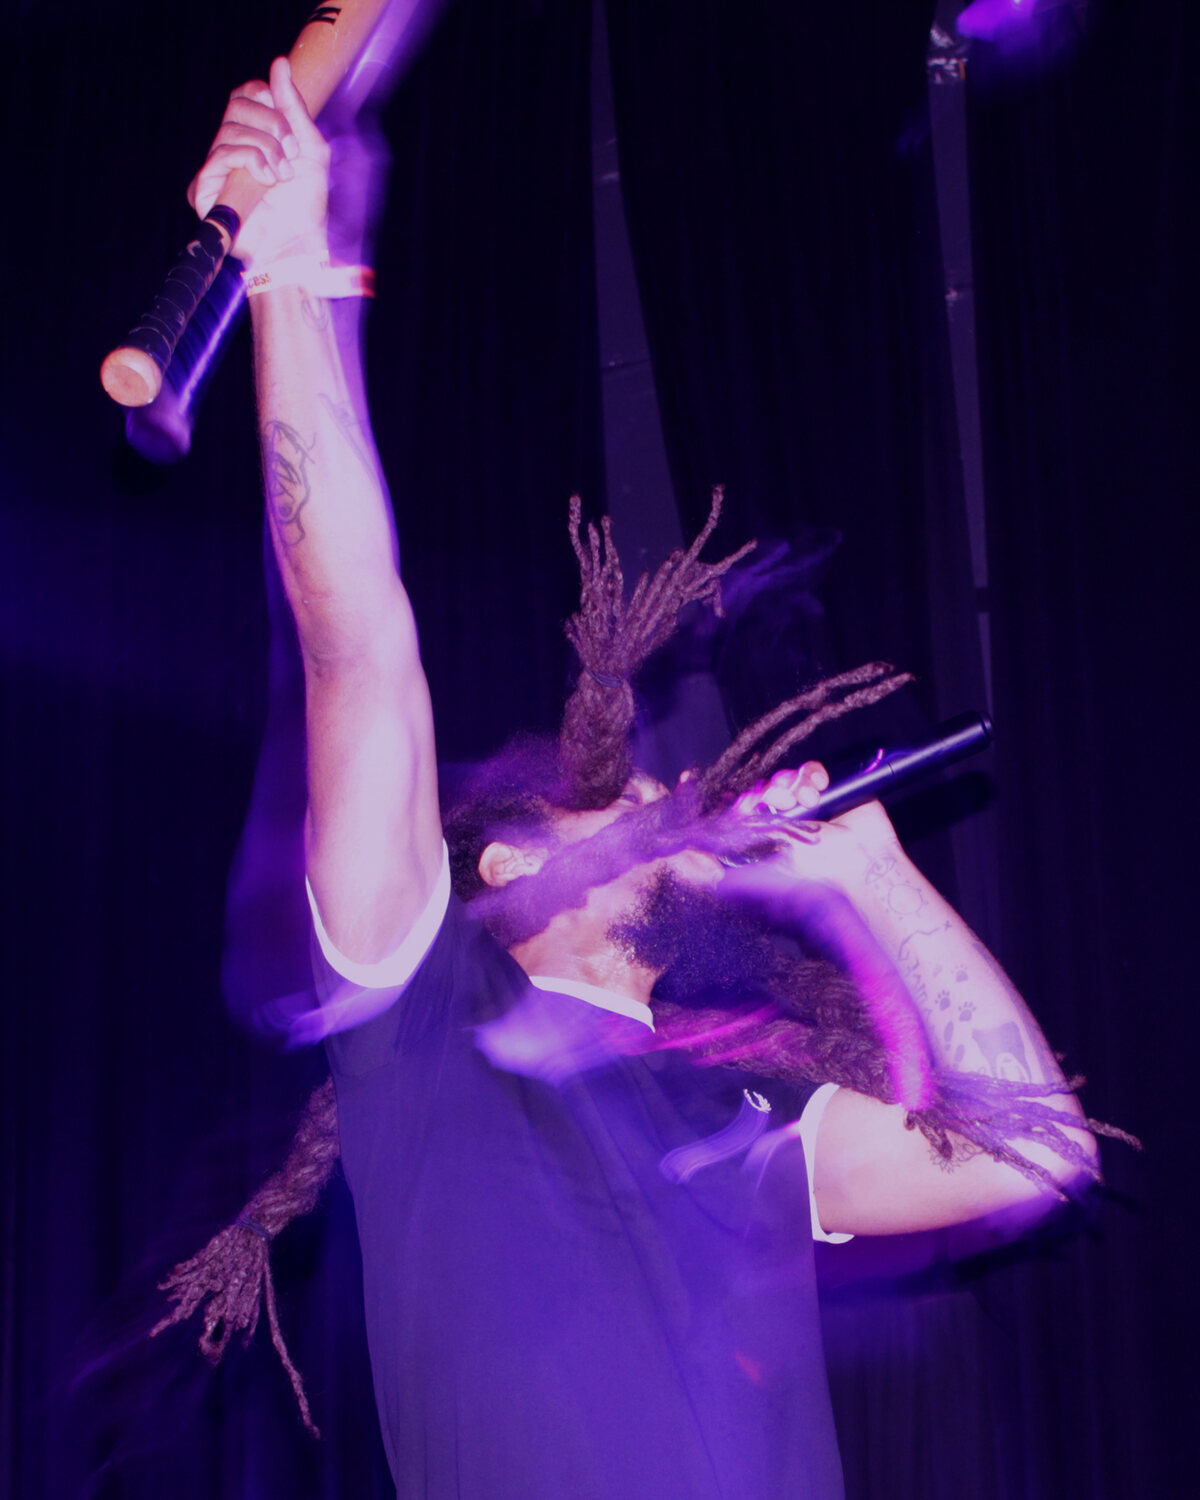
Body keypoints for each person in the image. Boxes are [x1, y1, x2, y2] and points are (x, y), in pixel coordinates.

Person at [161, 58, 1114, 1499]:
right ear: (500, 868)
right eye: (605, 796)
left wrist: (873, 875)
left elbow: (1036, 1155)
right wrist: (297, 274)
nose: (661, 796)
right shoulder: (419, 1016)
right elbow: (357, 636)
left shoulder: (746, 1125)